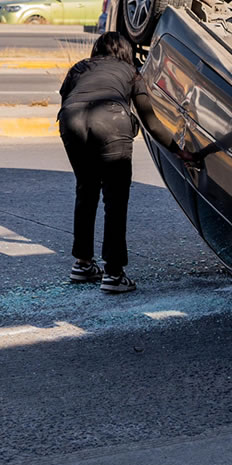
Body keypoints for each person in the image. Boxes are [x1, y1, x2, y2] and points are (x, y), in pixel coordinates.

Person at [58, 32, 189, 293]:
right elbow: (150, 121)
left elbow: (67, 100)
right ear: (126, 52)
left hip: (70, 122)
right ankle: (114, 274)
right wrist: (179, 150)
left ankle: (82, 264)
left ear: (97, 49)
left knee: (86, 190)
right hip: (112, 122)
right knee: (115, 201)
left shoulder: (78, 68)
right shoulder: (131, 71)